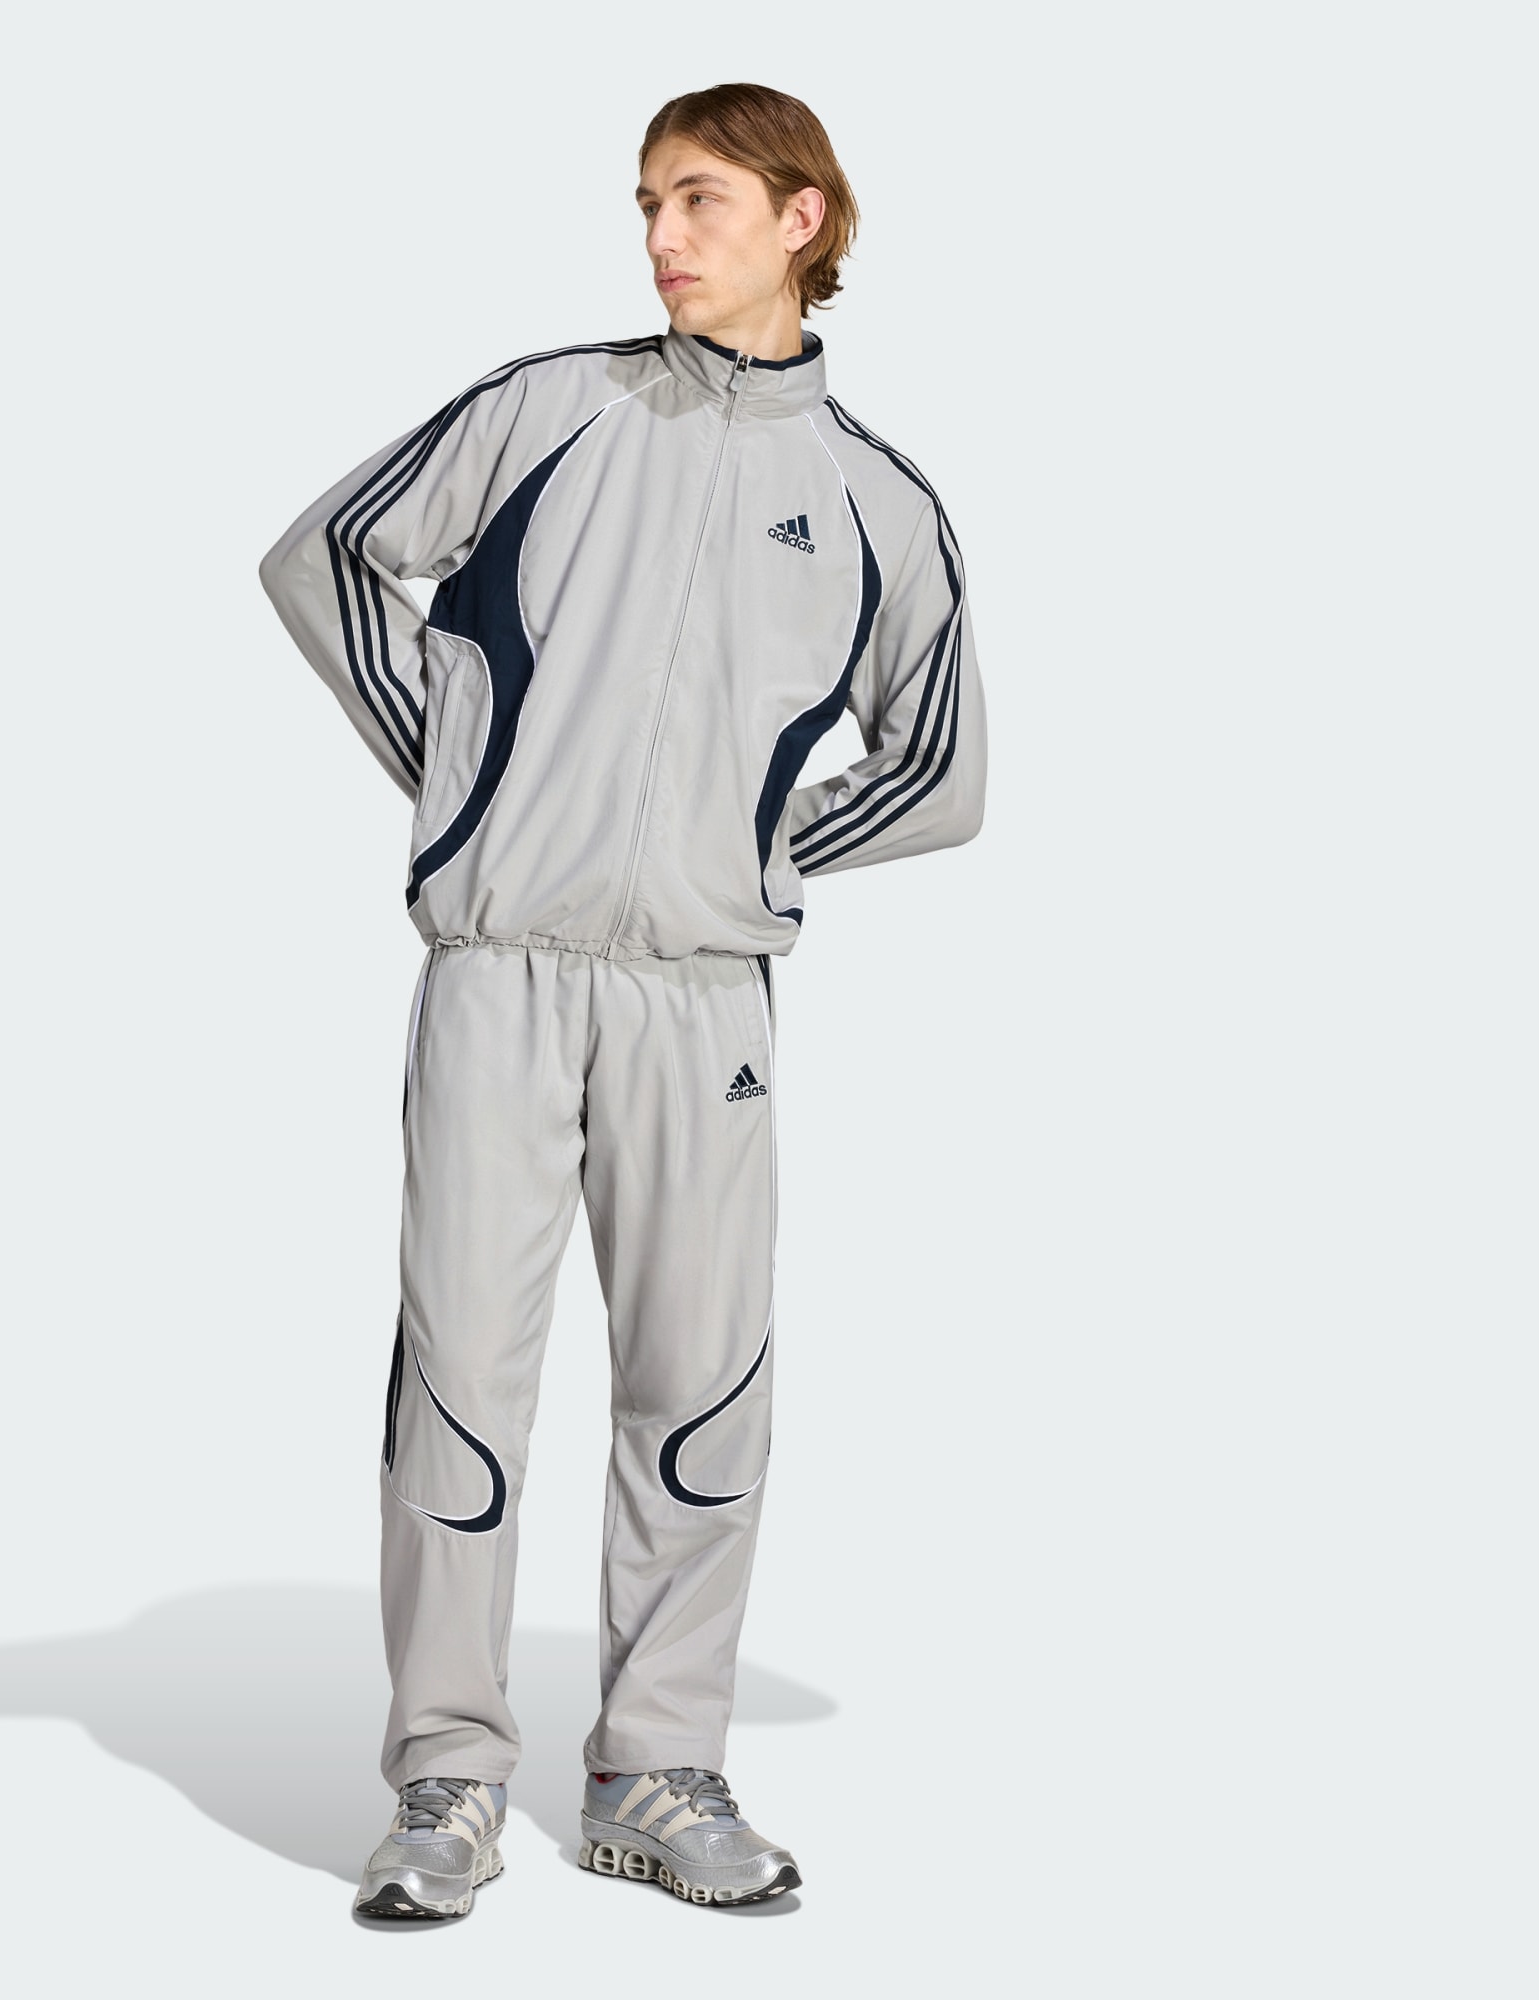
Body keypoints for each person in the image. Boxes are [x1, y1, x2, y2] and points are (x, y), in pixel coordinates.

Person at [259, 81, 986, 1920]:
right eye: (648, 200)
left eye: (700, 198)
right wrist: (467, 782)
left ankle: (657, 1770)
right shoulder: (547, 410)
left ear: (803, 218)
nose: (660, 235)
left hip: (706, 1001)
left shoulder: (880, 502)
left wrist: (755, 852)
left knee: (700, 1385)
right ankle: (447, 1780)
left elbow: (943, 769)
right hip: (499, 976)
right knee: (461, 1380)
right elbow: (325, 557)